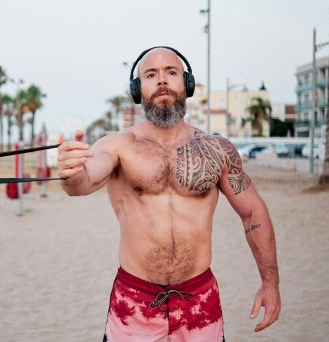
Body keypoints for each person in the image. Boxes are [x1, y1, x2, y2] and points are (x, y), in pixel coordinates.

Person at [57, 46, 280, 341]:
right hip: (134, 303)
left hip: (200, 300)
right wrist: (70, 173)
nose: (162, 80)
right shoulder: (117, 145)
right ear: (138, 89)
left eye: (171, 72)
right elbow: (82, 182)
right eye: (151, 74)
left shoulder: (216, 149)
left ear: (186, 84)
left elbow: (253, 211)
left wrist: (270, 282)